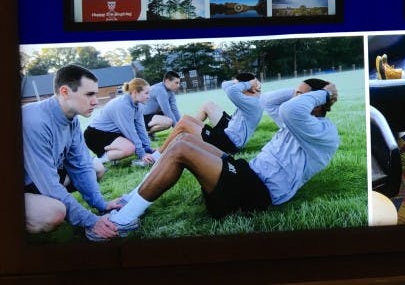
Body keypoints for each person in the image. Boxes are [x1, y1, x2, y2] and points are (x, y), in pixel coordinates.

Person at [104, 79, 340, 235]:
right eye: (295, 95)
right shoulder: (298, 119)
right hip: (246, 174)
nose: (293, 99)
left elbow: (290, 109)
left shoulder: (323, 133)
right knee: (182, 140)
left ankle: (123, 221)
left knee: (180, 151)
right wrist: (300, 91)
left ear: (318, 104)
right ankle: (131, 199)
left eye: (301, 96)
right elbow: (269, 101)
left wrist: (323, 94)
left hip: (257, 194)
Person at [23, 64, 123, 238]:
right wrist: (90, 220)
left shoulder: (72, 119)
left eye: (96, 93)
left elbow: (81, 165)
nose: (95, 100)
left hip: (40, 179)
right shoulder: (34, 121)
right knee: (53, 213)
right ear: (65, 92)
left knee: (96, 167)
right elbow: (48, 185)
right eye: (89, 94)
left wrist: (100, 204)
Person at [158, 73, 264, 155]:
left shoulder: (252, 103)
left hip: (229, 143)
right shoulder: (253, 96)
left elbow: (231, 91)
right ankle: (189, 131)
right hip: (231, 127)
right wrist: (251, 82)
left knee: (184, 122)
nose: (240, 89)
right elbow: (225, 84)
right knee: (207, 105)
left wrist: (249, 84)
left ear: (247, 87)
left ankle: (158, 154)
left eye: (241, 86)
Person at [84, 77, 157, 166]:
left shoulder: (138, 105)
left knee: (133, 144)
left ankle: (112, 148)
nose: (148, 96)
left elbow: (140, 128)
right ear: (135, 92)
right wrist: (142, 154)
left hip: (112, 133)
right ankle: (98, 159)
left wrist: (147, 149)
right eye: (146, 93)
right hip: (95, 135)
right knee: (130, 148)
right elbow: (130, 132)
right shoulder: (123, 105)